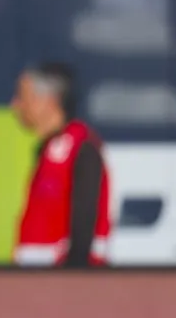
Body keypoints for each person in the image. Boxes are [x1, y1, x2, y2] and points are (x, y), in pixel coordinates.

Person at [10, 61, 112, 267]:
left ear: (49, 100)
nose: (15, 105)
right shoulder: (49, 151)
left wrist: (72, 277)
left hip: (62, 280)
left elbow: (84, 224)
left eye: (23, 97)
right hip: (39, 280)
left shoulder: (81, 148)